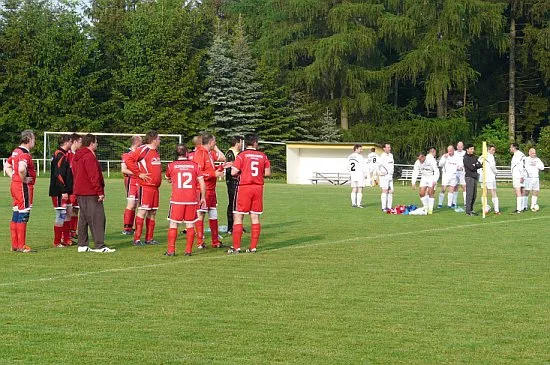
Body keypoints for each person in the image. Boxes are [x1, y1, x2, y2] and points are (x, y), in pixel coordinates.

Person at [228, 134, 271, 254]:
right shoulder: (263, 156)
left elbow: (233, 172)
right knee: (255, 217)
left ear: (246, 143)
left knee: (238, 216)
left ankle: (236, 247)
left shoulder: (242, 155)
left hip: (244, 188)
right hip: (257, 188)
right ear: (255, 142)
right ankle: (253, 247)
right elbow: (267, 173)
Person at [72, 134, 115, 252]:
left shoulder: (77, 156)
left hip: (80, 191)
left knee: (84, 218)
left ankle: (82, 244)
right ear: (91, 143)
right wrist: (100, 191)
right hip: (90, 191)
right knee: (98, 218)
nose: (97, 144)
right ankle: (99, 245)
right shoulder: (89, 157)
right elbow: (94, 176)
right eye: (96, 142)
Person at [164, 144, 206, 256]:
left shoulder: (171, 166)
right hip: (191, 199)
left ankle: (171, 250)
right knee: (190, 225)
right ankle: (188, 251)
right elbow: (202, 182)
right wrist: (203, 197)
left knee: (173, 224)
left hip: (177, 199)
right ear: (186, 153)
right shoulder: (195, 165)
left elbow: (168, 178)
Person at [126, 130, 162, 245]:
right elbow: (128, 160)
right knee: (142, 211)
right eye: (159, 138)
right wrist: (138, 173)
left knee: (153, 212)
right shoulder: (143, 150)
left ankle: (149, 238)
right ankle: (136, 239)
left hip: (155, 188)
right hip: (145, 187)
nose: (160, 140)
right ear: (154, 139)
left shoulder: (155, 151)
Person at [5, 130, 37, 253]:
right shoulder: (24, 154)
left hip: (15, 185)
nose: (34, 141)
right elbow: (22, 168)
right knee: (24, 213)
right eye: (33, 139)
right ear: (28, 139)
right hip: (22, 188)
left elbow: (7, 166)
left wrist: (14, 177)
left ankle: (15, 244)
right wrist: (23, 178)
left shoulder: (15, 151)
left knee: (16, 213)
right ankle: (21, 245)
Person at [192, 133, 225, 248]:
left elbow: (210, 169)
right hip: (203, 190)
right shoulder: (200, 153)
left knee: (213, 213)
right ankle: (200, 242)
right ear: (210, 142)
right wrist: (214, 173)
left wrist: (220, 168)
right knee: (200, 214)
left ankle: (215, 241)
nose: (215, 143)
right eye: (214, 141)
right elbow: (198, 173)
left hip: (212, 190)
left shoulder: (209, 153)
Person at [48, 134, 74, 247]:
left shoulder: (63, 154)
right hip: (59, 191)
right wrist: (63, 190)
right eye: (70, 142)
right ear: (66, 142)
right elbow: (58, 174)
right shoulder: (59, 155)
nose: (71, 144)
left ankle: (66, 239)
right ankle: (57, 241)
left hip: (65, 191)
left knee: (68, 214)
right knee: (61, 214)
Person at [121, 135, 143, 235]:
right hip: (133, 182)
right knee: (131, 204)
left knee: (139, 205)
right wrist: (138, 173)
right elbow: (123, 169)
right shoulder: (127, 154)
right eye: (141, 140)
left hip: (141, 181)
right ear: (137, 141)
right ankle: (127, 227)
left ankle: (135, 227)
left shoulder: (140, 153)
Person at [225, 136, 242, 233]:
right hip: (232, 182)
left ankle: (238, 225)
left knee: (237, 204)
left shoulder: (238, 153)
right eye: (240, 142)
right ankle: (230, 226)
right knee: (232, 203)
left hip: (238, 182)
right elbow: (228, 169)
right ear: (237, 143)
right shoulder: (230, 154)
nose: (241, 145)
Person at [478, 144, 500, 214]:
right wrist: (496, 172)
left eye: (494, 150)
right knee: (492, 192)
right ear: (488, 149)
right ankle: (496, 210)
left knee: (485, 193)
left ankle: (485, 208)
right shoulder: (490, 156)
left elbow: (478, 166)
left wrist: (480, 174)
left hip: (483, 177)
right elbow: (492, 166)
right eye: (492, 150)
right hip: (489, 177)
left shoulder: (481, 156)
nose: (494, 151)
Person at [67, 133, 82, 239]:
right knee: (69, 209)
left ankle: (73, 230)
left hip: (78, 187)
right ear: (75, 142)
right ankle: (66, 232)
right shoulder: (67, 155)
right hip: (70, 188)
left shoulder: (79, 154)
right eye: (80, 142)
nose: (81, 144)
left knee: (76, 209)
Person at [463, 143, 483, 216]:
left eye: (473, 149)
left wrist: (476, 165)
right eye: (471, 149)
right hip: (469, 177)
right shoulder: (465, 158)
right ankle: (468, 211)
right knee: (470, 194)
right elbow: (471, 167)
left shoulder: (474, 157)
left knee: (474, 195)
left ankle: (471, 209)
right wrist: (475, 165)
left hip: (474, 177)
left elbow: (479, 165)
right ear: (467, 149)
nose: (472, 150)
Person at [510, 143, 527, 213]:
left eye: (511, 147)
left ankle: (519, 209)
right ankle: (522, 207)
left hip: (518, 175)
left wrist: (522, 176)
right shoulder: (522, 154)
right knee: (522, 190)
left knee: (518, 191)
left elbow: (520, 166)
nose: (510, 149)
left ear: (514, 147)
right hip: (522, 174)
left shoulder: (517, 155)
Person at [377, 143, 394, 212]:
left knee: (391, 191)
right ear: (384, 148)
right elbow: (377, 166)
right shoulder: (382, 156)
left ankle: (389, 207)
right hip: (384, 176)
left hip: (390, 176)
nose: (389, 148)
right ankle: (383, 207)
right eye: (388, 147)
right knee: (385, 191)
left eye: (390, 147)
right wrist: (380, 173)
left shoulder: (391, 155)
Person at [454, 141, 467, 208]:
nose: (460, 148)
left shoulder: (465, 153)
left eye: (461, 146)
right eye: (459, 146)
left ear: (463, 147)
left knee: (464, 186)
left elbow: (467, 161)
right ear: (457, 146)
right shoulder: (454, 153)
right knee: (455, 187)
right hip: (455, 172)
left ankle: (465, 203)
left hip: (463, 172)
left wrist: (463, 166)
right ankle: (454, 203)